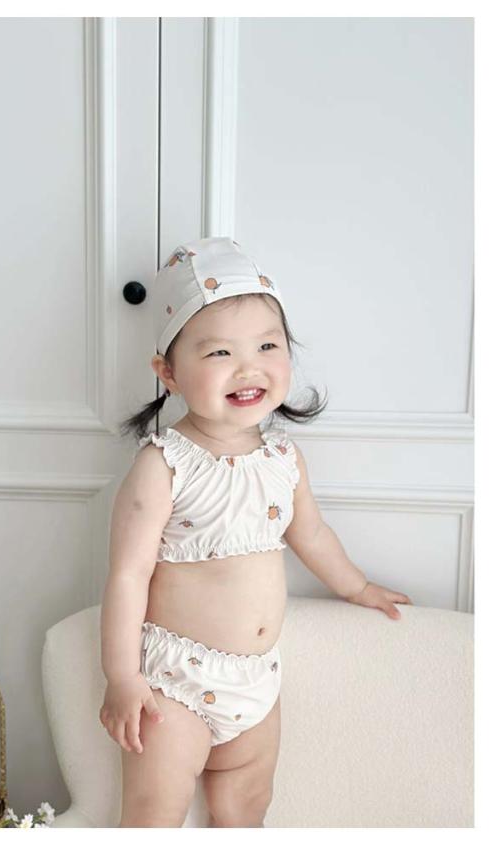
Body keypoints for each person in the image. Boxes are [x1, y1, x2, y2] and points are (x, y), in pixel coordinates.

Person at [99, 236, 412, 828]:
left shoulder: (282, 459)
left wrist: (357, 587)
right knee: (152, 815)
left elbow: (312, 534)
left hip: (257, 682)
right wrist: (121, 676)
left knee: (246, 811)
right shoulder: (163, 466)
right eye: (219, 352)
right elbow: (127, 575)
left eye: (268, 345)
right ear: (168, 372)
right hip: (176, 683)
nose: (248, 367)